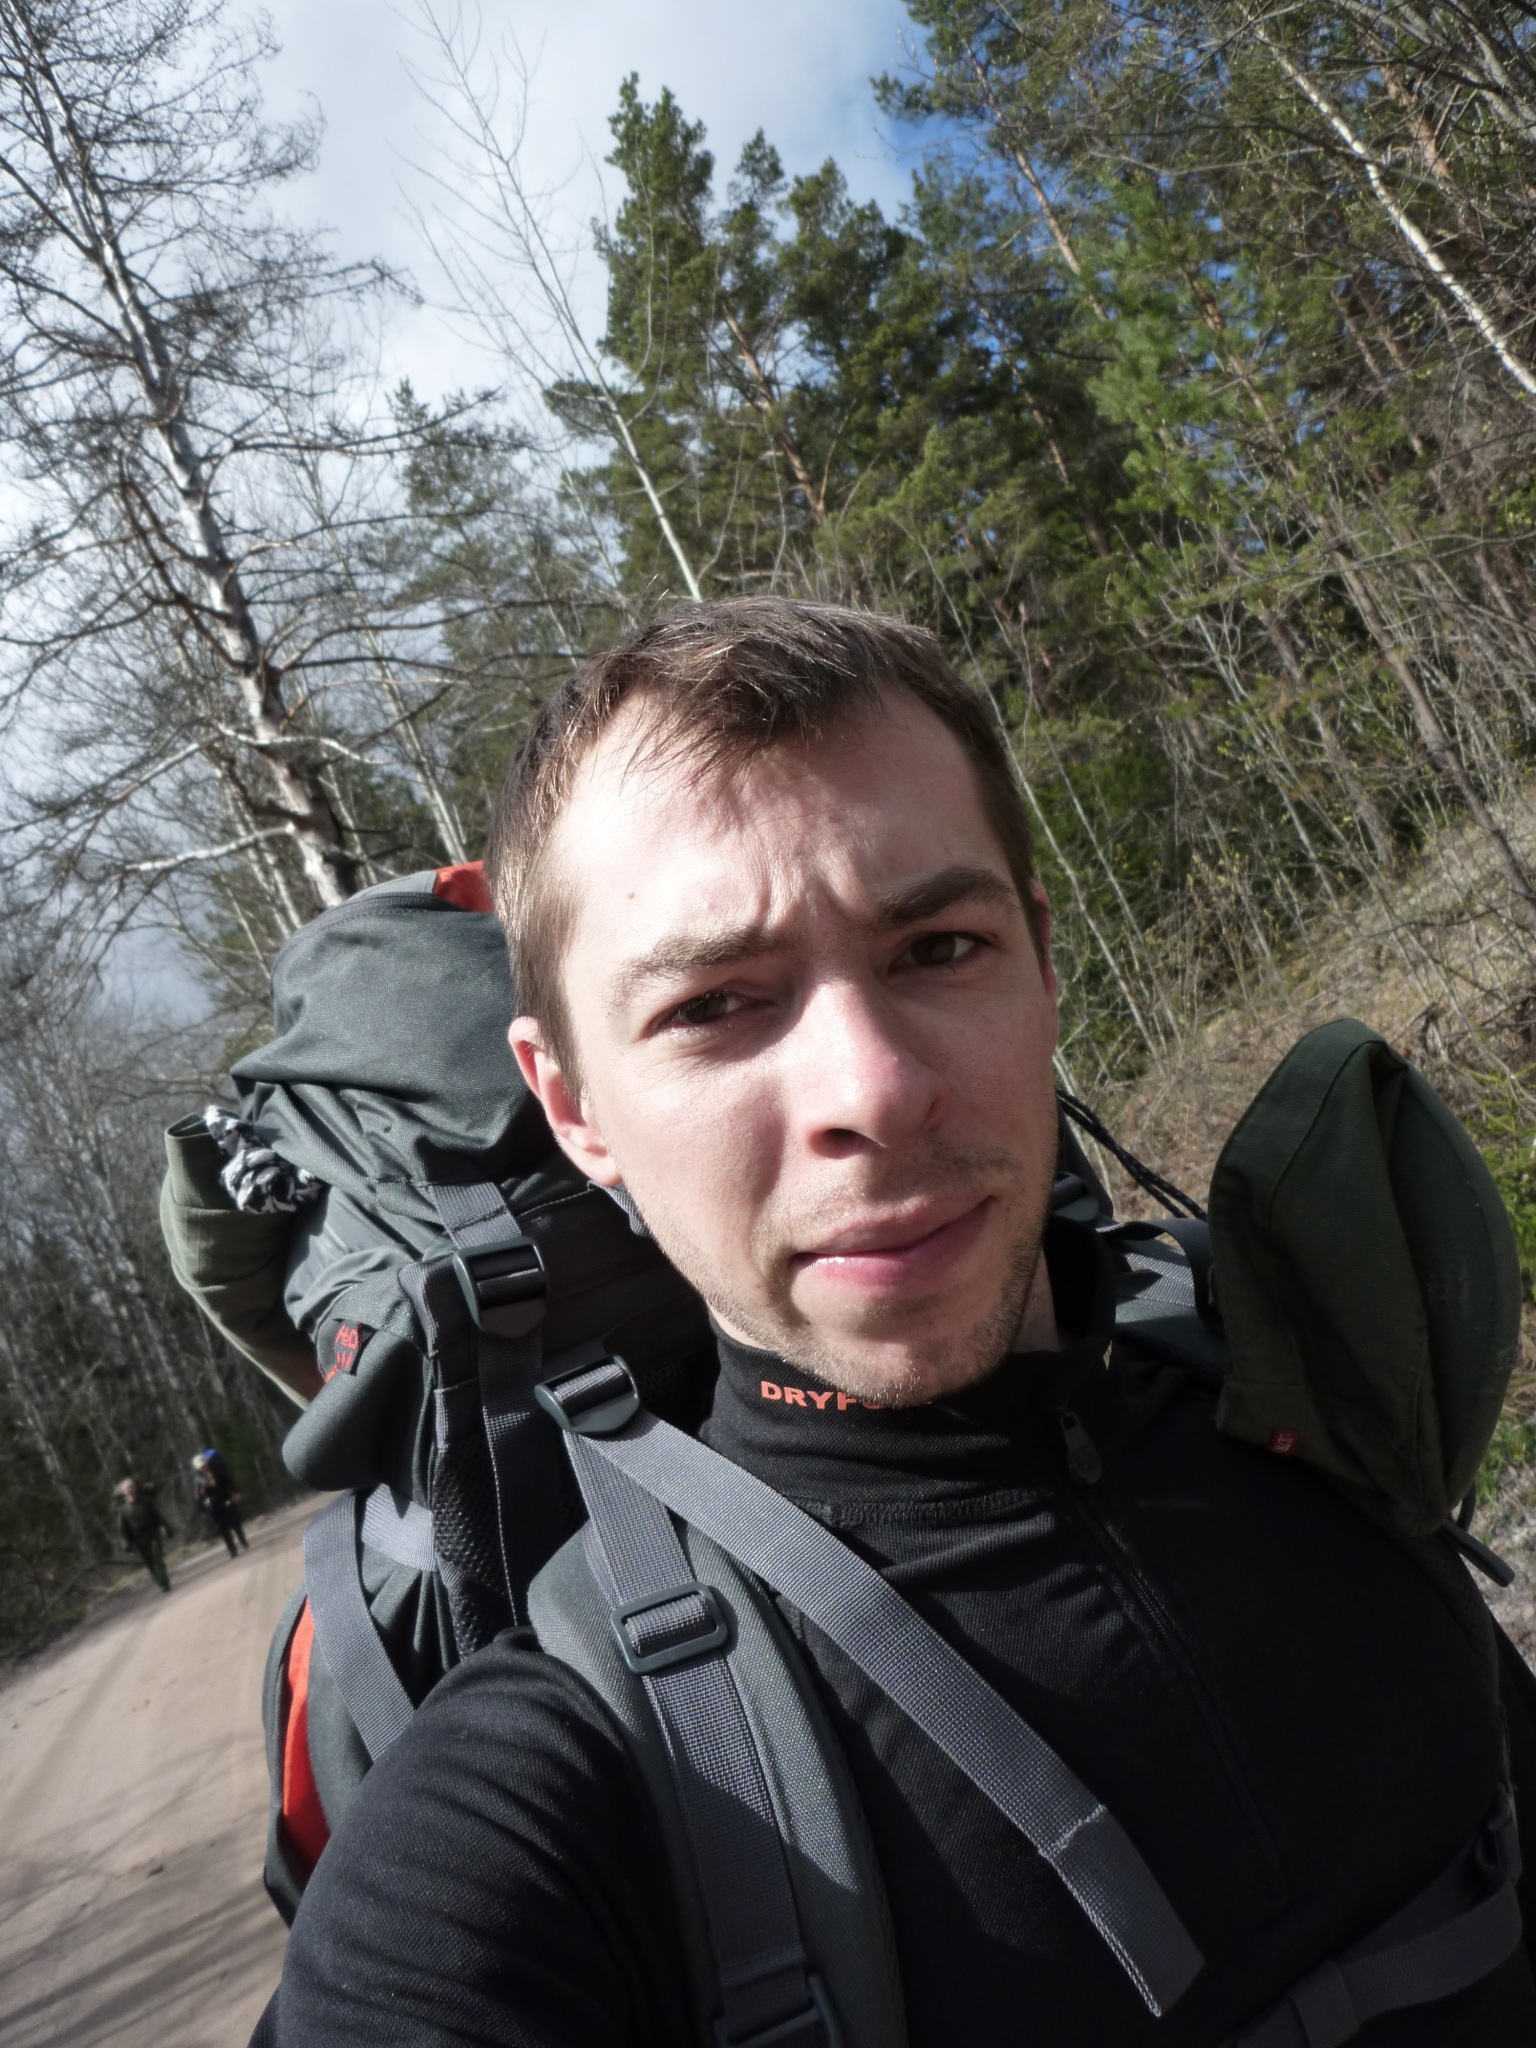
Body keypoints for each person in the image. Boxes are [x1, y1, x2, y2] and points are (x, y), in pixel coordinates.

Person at [256, 600, 1536, 2046]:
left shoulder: (1310, 1395)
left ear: (1042, 961)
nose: (870, 1089)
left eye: (937, 946)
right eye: (714, 1006)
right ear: (574, 1106)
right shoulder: (563, 1777)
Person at [115, 1476, 174, 1593]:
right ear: (124, 1492)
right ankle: (160, 1580)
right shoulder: (123, 1511)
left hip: (153, 1533)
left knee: (157, 1557)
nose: (130, 1489)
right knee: (150, 1562)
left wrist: (167, 1528)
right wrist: (127, 1544)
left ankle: (164, 1581)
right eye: (128, 1488)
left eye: (132, 1487)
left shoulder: (146, 1501)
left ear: (135, 1488)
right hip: (140, 1540)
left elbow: (158, 1515)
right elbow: (123, 1529)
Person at [191, 1448, 248, 1558]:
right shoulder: (198, 1480)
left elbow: (228, 1481)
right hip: (214, 1505)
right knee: (223, 1527)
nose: (204, 1468)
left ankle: (242, 1539)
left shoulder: (217, 1470)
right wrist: (202, 1511)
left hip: (225, 1497)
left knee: (234, 1521)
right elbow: (198, 1497)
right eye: (201, 1467)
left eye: (204, 1465)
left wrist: (235, 1492)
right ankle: (232, 1550)